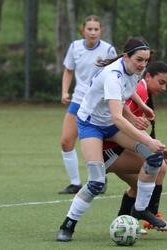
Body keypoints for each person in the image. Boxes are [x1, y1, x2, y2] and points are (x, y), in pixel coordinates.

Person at [57, 37, 167, 242]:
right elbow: (117, 118)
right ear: (126, 56)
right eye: (139, 59)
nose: (142, 65)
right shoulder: (113, 75)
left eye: (146, 61)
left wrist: (142, 107)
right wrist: (147, 140)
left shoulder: (134, 71)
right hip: (91, 125)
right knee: (96, 182)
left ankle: (140, 210)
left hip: (109, 124)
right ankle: (68, 225)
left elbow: (125, 96)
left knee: (154, 159)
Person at [103, 61, 167, 232]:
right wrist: (151, 146)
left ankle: (124, 222)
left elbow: (134, 128)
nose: (164, 88)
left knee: (139, 185)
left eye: (166, 84)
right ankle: (150, 213)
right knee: (160, 167)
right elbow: (120, 118)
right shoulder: (140, 90)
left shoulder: (142, 91)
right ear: (148, 76)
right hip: (108, 151)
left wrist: (155, 146)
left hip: (117, 147)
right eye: (161, 82)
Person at [59, 15, 117, 194]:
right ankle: (75, 183)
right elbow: (68, 70)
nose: (93, 32)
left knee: (101, 143)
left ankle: (100, 179)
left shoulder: (108, 50)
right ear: (83, 30)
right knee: (66, 141)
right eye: (89, 29)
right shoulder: (75, 47)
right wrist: (64, 91)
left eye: (96, 29)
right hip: (78, 101)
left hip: (99, 104)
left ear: (101, 31)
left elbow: (116, 74)